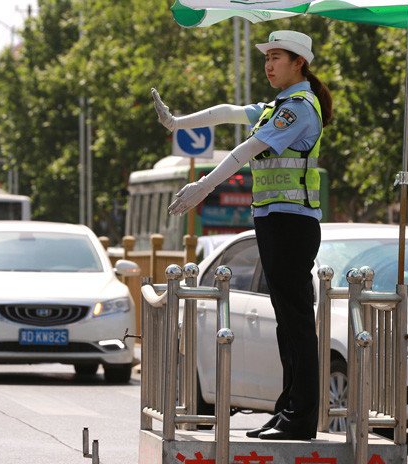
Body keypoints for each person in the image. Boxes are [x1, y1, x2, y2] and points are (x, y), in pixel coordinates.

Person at [152, 30, 333, 441]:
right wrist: (178, 122)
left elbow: (247, 149)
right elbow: (230, 111)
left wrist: (204, 186)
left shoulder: (299, 109)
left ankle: (300, 418)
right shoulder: (278, 105)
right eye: (266, 57)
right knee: (285, 323)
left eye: (276, 57)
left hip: (293, 222)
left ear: (298, 62)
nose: (268, 64)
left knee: (298, 322)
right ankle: (287, 408)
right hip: (274, 220)